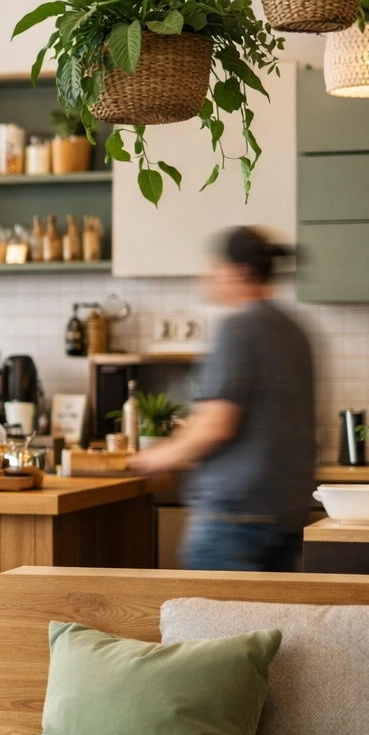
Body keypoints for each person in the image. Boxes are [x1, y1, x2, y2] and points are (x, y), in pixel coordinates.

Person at [130, 227, 316, 572]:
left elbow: (216, 425)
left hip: (233, 518)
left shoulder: (238, 328)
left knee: (213, 626)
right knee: (269, 625)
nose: (209, 276)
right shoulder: (295, 331)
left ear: (238, 271)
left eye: (215, 267)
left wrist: (153, 457)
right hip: (285, 514)